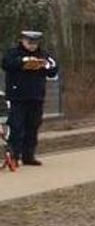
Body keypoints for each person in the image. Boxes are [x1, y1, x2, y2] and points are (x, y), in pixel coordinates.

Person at [1, 30, 59, 167]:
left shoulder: (43, 55)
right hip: (17, 97)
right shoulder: (13, 53)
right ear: (22, 41)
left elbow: (53, 70)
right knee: (16, 127)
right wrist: (23, 62)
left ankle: (28, 156)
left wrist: (45, 65)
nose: (32, 46)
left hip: (36, 97)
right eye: (29, 42)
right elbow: (6, 64)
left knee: (32, 127)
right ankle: (14, 156)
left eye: (35, 43)